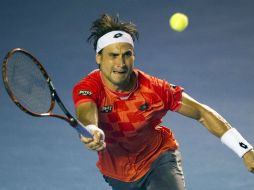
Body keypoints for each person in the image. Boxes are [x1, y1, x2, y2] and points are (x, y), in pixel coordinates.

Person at [72, 14, 254, 190]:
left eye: (127, 54)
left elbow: (202, 113)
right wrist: (92, 129)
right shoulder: (89, 87)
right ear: (99, 58)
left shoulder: (155, 88)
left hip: (158, 159)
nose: (121, 63)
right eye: (113, 55)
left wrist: (245, 150)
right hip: (117, 173)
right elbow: (86, 112)